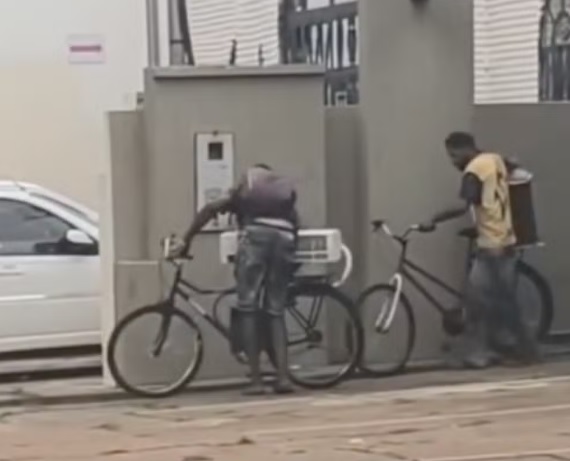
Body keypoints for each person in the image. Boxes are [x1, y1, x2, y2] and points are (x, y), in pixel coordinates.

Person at [177, 163, 298, 395]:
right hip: (284, 239)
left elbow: (210, 209)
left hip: (255, 240)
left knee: (248, 308)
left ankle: (256, 380)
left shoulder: (244, 189)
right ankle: (284, 378)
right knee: (275, 310)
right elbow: (295, 224)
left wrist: (186, 239)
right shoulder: (281, 195)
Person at [425, 132, 539, 368]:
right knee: (479, 299)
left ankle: (524, 351)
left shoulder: (473, 171)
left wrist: (433, 219)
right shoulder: (493, 160)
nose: (453, 161)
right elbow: (511, 169)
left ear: (464, 149)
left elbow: (461, 205)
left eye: (453, 155)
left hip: (494, 245)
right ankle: (483, 352)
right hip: (502, 240)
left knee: (502, 302)